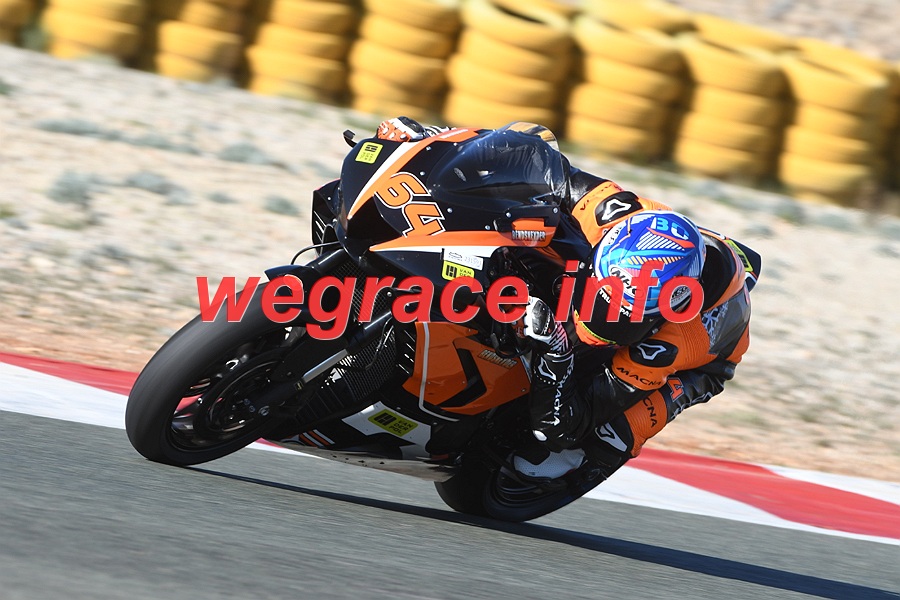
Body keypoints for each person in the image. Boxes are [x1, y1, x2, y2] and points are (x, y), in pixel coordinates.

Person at [375, 117, 761, 481]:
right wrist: (434, 139)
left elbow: (565, 424)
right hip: (620, 263)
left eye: (619, 313)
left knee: (604, 438)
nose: (599, 315)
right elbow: (527, 153)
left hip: (704, 361)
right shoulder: (607, 210)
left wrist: (558, 352)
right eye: (602, 297)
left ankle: (578, 466)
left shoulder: (672, 344)